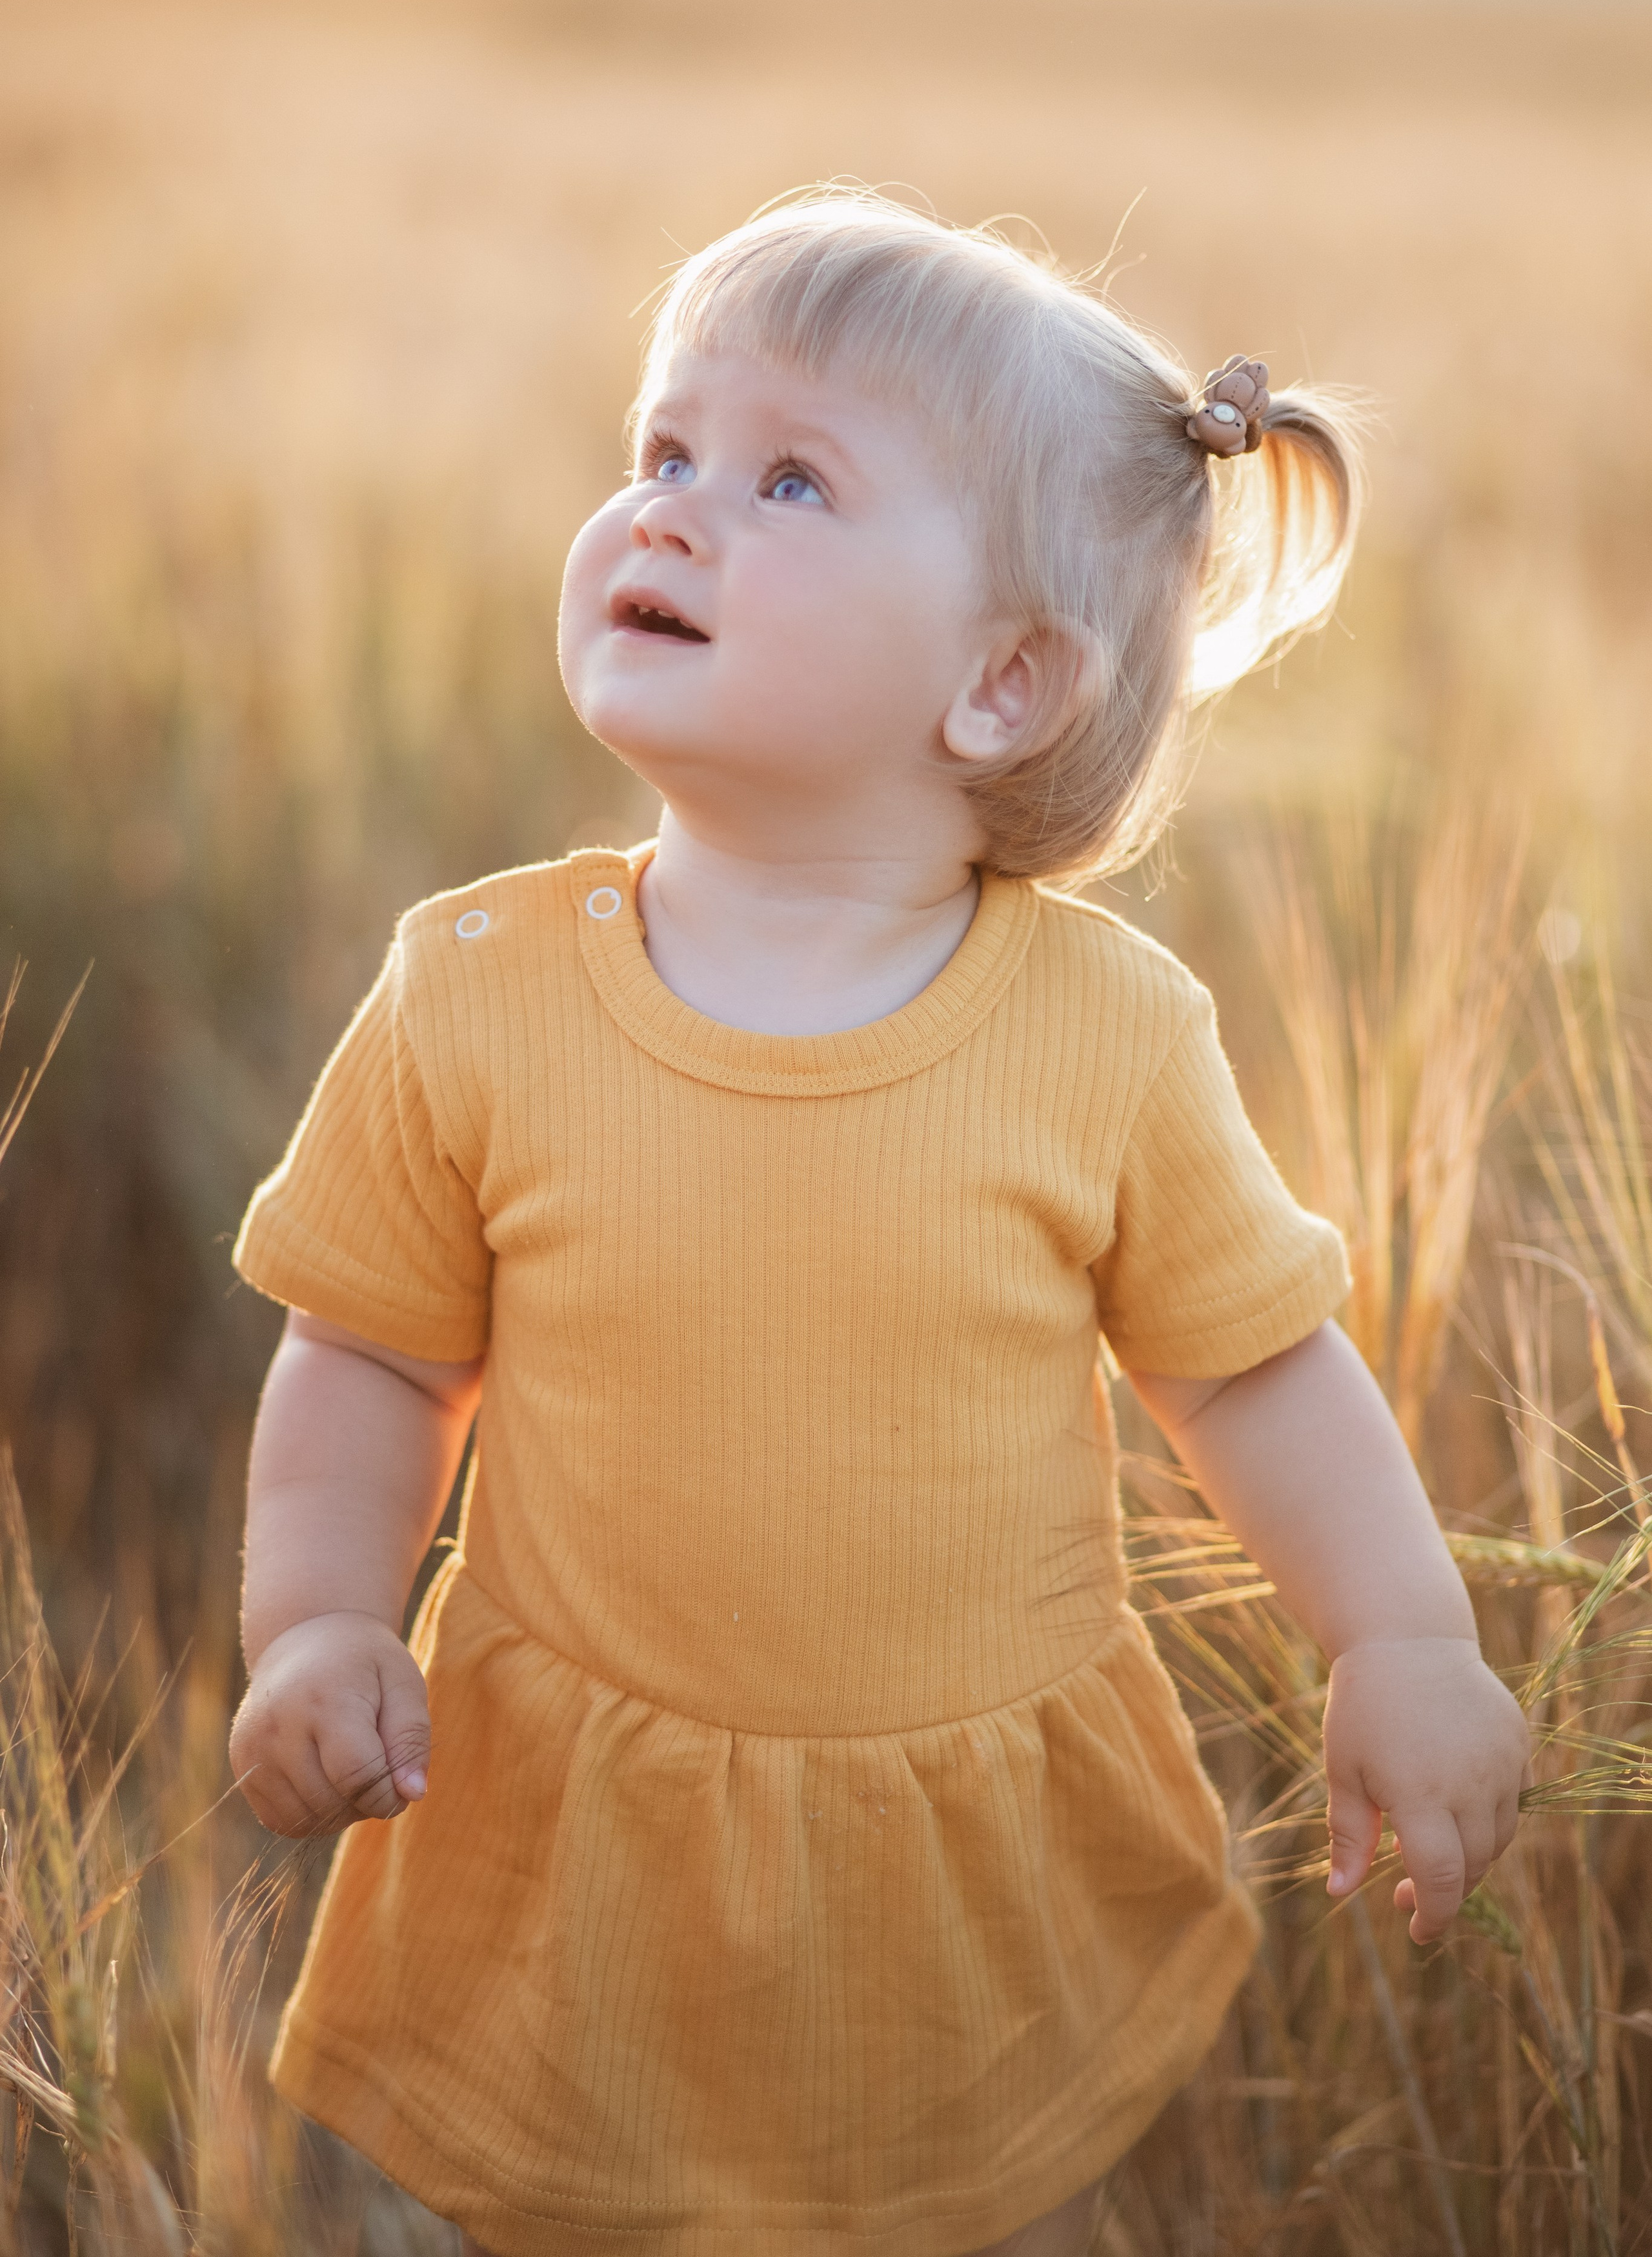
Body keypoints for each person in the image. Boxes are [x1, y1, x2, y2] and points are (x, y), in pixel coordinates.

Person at [228, 191, 1531, 2257]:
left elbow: (1255, 1368)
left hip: (958, 1864)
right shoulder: (472, 991)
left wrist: (1402, 1636)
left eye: (788, 479)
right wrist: (313, 1613)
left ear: (1005, 682)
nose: (666, 513)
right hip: (584, 1846)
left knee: (971, 2206)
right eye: (661, 452)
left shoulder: (1103, 1034)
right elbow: (376, 1351)